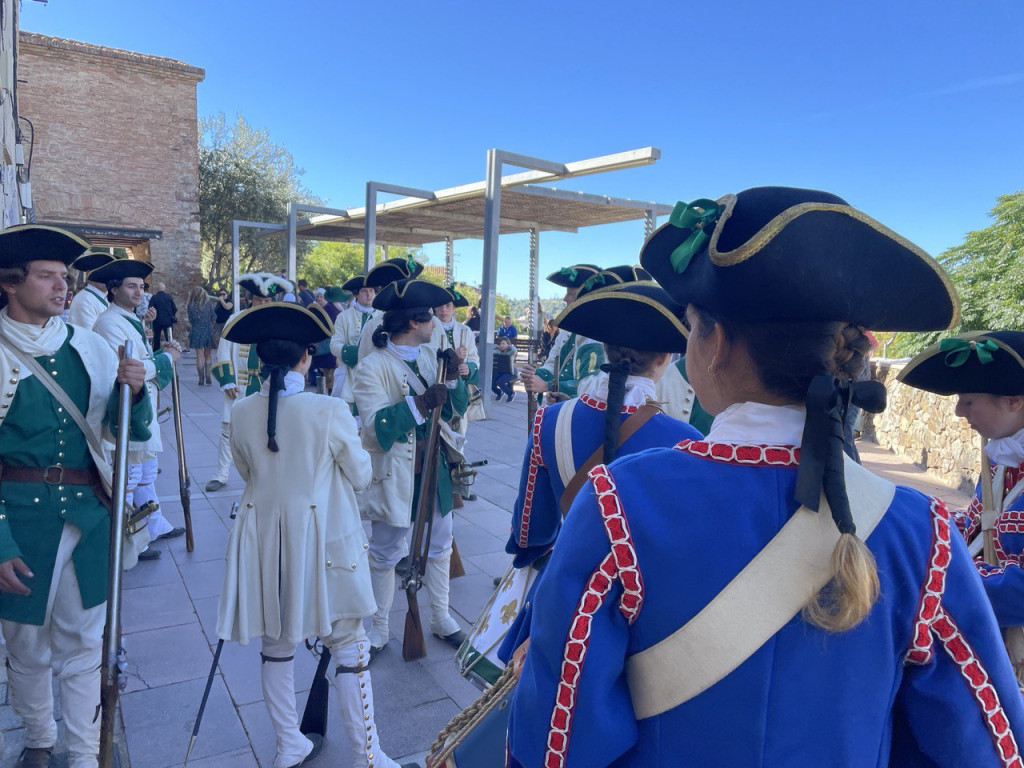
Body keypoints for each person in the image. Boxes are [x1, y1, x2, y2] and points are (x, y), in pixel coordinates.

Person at [507, 187, 1024, 767]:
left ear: (716, 343)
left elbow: (556, 737)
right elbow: (985, 741)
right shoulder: (922, 532)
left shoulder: (616, 503)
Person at [216, 302, 418, 768]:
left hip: (263, 540)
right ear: (306, 358)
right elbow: (362, 474)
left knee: (276, 644)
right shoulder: (328, 409)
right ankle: (369, 757)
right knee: (348, 646)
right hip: (326, 540)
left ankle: (289, 744)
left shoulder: (243, 411)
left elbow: (247, 472)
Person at [0, 225, 151, 768]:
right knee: (25, 645)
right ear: (12, 284)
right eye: (48, 277)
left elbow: (122, 431)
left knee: (87, 646)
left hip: (89, 513)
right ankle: (40, 739)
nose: (62, 288)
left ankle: (85, 754)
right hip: (20, 518)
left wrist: (134, 393)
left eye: (64, 278)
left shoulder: (87, 345)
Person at [351, 278, 469, 657]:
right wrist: (419, 405)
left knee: (440, 545)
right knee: (386, 552)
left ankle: (440, 618)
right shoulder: (371, 367)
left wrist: (452, 380)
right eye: (430, 318)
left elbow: (455, 411)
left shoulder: (427, 359)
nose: (436, 324)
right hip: (396, 474)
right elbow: (373, 427)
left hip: (433, 468)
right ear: (413, 323)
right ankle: (380, 626)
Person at [898, 331, 1024, 680]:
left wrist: (938, 580)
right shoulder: (1001, 459)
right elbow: (975, 528)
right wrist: (909, 525)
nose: (957, 411)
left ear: (1014, 400)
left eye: (968, 400)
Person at [91, 259, 184, 556]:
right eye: (131, 286)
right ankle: (129, 538)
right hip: (124, 409)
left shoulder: (128, 318)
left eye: (142, 287)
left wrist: (162, 353)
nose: (139, 292)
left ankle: (153, 525)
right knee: (127, 474)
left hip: (141, 407)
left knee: (145, 470)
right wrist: (166, 360)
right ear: (114, 289)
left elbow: (142, 357)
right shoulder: (108, 323)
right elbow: (128, 368)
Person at [206, 273, 293, 493]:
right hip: (240, 384)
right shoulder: (236, 319)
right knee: (228, 429)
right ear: (250, 300)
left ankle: (268, 472)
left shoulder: (280, 321)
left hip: (269, 384)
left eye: (267, 301)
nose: (263, 304)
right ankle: (221, 473)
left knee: (271, 428)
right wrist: (227, 380)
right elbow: (223, 350)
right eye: (259, 300)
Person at [520, 263, 604, 401]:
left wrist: (548, 386)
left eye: (571, 293)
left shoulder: (599, 332)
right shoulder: (567, 329)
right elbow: (553, 363)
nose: (565, 298)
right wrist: (535, 374)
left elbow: (591, 384)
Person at [330, 273, 380, 415]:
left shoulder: (383, 316)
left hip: (375, 375)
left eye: (371, 290)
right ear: (356, 294)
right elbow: (335, 345)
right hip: (349, 376)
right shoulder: (343, 316)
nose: (369, 294)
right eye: (364, 291)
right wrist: (357, 354)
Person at [309, 286, 347, 391]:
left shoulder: (330, 308)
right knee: (328, 377)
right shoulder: (330, 309)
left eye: (321, 296)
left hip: (329, 348)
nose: (319, 299)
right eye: (318, 297)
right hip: (327, 348)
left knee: (330, 376)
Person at [67, 250, 116, 330]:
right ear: (90, 274)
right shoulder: (84, 300)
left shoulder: (102, 298)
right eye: (102, 273)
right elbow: (90, 334)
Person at [186, 286, 217, 385]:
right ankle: (208, 376)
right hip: (208, 330)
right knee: (208, 355)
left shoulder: (190, 305)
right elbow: (214, 316)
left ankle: (201, 379)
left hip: (196, 331)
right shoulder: (208, 304)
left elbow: (191, 320)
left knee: (199, 355)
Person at [148, 282, 177, 351]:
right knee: (169, 338)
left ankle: (156, 351)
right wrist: (171, 315)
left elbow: (150, 308)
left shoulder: (154, 298)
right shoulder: (169, 297)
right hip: (168, 321)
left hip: (157, 320)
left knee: (157, 338)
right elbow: (175, 308)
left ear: (157, 289)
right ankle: (170, 351)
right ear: (164, 289)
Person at [491, 337, 517, 402]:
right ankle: (499, 393)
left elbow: (514, 349)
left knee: (500, 382)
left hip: (509, 372)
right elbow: (490, 351)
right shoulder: (498, 352)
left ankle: (511, 393)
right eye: (501, 343)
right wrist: (496, 347)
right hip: (499, 371)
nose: (502, 345)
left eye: (504, 343)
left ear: (508, 344)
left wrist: (509, 347)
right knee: (492, 384)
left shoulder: (510, 352)